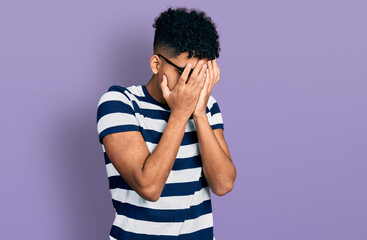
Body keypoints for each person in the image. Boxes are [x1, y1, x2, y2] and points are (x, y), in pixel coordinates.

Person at [96, 6, 236, 240]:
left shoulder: (208, 107)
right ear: (156, 64)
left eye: (203, 74)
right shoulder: (119, 103)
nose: (195, 85)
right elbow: (149, 187)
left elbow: (223, 184)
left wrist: (199, 114)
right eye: (188, 73)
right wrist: (180, 114)